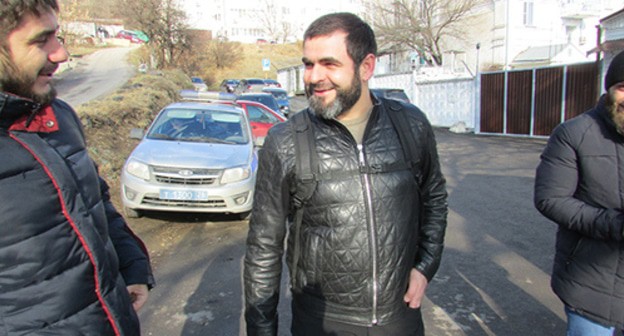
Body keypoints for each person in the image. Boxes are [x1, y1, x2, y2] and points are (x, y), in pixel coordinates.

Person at [244, 12, 448, 336]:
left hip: (401, 318)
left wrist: (425, 266)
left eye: (329, 64)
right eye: (308, 64)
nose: (313, 77)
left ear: (366, 67)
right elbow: (263, 247)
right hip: (322, 322)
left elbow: (434, 197)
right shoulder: (285, 142)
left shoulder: (410, 125)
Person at [0, 0, 154, 334]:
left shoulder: (59, 116)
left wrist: (132, 265)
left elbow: (94, 202)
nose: (61, 55)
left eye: (58, 37)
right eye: (42, 40)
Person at [534, 49, 624, 336]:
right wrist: (614, 224)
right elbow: (551, 199)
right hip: (591, 285)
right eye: (623, 88)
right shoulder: (575, 133)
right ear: (609, 89)